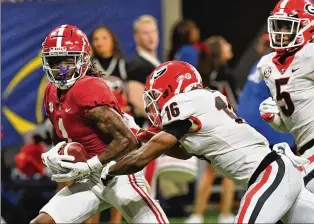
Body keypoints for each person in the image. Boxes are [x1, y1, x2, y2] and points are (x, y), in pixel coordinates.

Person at [101, 60, 314, 223]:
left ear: (174, 89)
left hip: (269, 176)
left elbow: (144, 157)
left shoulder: (186, 102)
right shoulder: (202, 102)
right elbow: (184, 152)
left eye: (158, 96)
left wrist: (109, 170)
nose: (157, 105)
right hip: (279, 172)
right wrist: (144, 135)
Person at [30, 24, 169, 224]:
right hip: (88, 178)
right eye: (55, 61)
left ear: (83, 60)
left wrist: (89, 165)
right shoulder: (51, 91)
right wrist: (53, 154)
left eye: (68, 61)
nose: (61, 68)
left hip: (119, 170)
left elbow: (127, 140)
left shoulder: (88, 89)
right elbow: (62, 134)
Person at [258, 0, 314, 196]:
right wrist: (274, 119)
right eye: (278, 25)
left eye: (287, 26)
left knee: (288, 197)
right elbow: (290, 124)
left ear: (308, 27)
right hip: (305, 145)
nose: (281, 32)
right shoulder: (267, 65)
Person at [185, 36, 237, 224]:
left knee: (208, 171)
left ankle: (197, 215)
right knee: (228, 173)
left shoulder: (202, 74)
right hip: (226, 126)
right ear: (218, 51)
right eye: (226, 44)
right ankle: (224, 214)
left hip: (207, 126)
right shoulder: (225, 74)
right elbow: (233, 102)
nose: (230, 46)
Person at [238, 34, 295, 150]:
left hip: (244, 122)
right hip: (264, 127)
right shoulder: (278, 62)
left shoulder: (261, 62)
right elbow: (283, 99)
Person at [127, 15, 161, 127]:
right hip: (150, 127)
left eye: (153, 31)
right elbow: (137, 102)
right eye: (145, 33)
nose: (151, 37)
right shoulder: (136, 65)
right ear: (136, 37)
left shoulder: (156, 62)